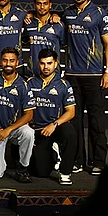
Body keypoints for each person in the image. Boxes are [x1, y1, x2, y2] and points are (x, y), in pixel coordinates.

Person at [63, 0, 108, 176]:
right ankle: (77, 161)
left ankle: (98, 161)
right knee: (74, 123)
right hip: (73, 75)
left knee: (96, 121)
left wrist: (107, 71)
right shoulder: (67, 14)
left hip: (94, 75)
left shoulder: (100, 13)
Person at [0, 47, 35, 182]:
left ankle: (22, 168)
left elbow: (29, 115)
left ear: (17, 63)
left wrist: (8, 130)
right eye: (5, 60)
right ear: (0, 62)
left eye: (12, 61)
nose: (8, 63)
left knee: (28, 133)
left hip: (13, 129)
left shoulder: (24, 85)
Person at [27, 49, 77, 185]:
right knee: (40, 173)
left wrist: (54, 124)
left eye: (49, 63)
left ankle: (65, 173)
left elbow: (71, 112)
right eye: (43, 63)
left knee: (70, 132)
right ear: (38, 64)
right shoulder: (30, 83)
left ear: (55, 64)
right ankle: (54, 154)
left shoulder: (64, 85)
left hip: (54, 128)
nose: (46, 67)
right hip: (37, 131)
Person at [23, 0, 65, 77]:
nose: (42, 7)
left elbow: (65, 44)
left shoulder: (59, 25)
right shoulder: (28, 23)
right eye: (39, 4)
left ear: (50, 5)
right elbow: (24, 40)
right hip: (32, 75)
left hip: (53, 76)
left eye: (45, 4)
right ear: (34, 5)